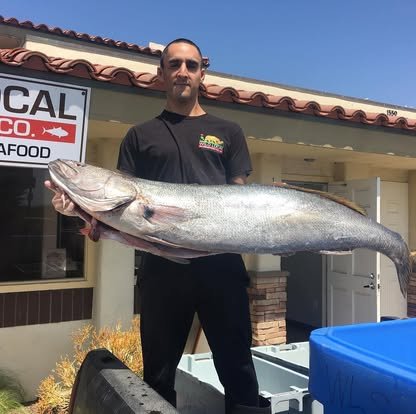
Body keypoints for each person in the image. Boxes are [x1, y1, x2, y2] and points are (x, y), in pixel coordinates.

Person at [46, 38, 270, 414]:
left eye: (192, 65)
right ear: (160, 73)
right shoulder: (139, 135)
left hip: (223, 268)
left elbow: (239, 199)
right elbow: (119, 210)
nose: (183, 71)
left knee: (239, 369)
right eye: (175, 64)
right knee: (158, 375)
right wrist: (81, 212)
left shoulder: (228, 131)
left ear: (202, 74)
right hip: (162, 272)